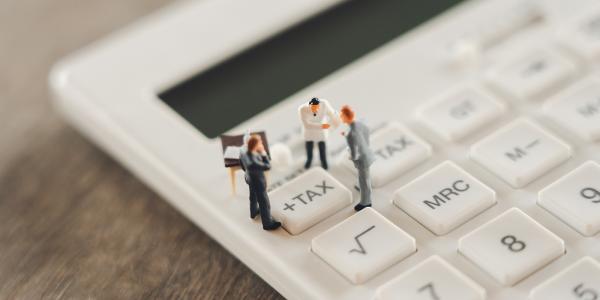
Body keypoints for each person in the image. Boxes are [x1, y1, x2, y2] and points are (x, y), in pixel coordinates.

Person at [239, 134, 281, 230]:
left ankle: (253, 212)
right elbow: (267, 166)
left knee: (253, 196)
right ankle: (267, 223)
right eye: (260, 143)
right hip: (257, 181)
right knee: (264, 202)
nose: (261, 144)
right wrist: (263, 153)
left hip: (249, 178)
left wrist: (246, 172)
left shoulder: (245, 152)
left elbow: (241, 163)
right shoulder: (254, 160)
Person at [340, 105, 375, 211]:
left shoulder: (351, 134)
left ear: (346, 117)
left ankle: (366, 202)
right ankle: (362, 188)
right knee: (364, 177)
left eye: (342, 116)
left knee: (364, 179)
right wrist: (365, 147)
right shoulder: (360, 125)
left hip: (362, 159)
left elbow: (354, 152)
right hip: (367, 154)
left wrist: (351, 155)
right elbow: (366, 133)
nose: (341, 118)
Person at [298, 98, 340, 170]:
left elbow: (331, 113)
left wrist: (334, 119)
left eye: (316, 107)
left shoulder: (324, 104)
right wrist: (322, 126)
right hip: (309, 132)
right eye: (313, 108)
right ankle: (309, 160)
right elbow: (307, 125)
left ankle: (324, 162)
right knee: (309, 147)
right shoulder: (302, 109)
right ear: (310, 105)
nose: (315, 110)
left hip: (321, 132)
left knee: (322, 148)